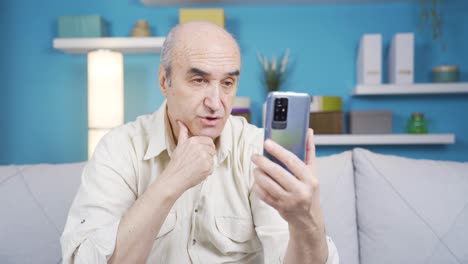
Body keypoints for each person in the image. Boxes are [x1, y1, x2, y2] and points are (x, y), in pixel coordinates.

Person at [61, 21, 339, 264]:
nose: (216, 104)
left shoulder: (258, 151)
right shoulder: (119, 148)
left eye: (227, 83)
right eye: (199, 80)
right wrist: (171, 182)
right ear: (164, 81)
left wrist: (305, 222)